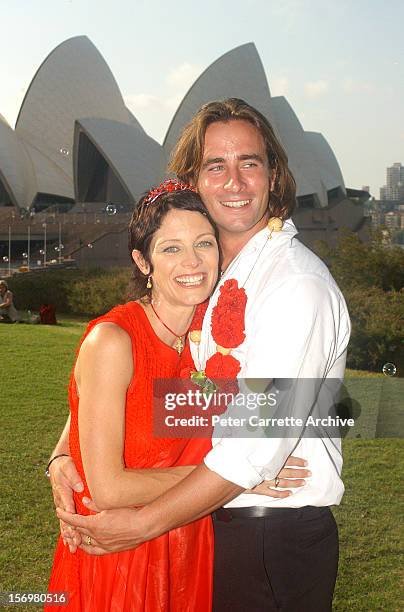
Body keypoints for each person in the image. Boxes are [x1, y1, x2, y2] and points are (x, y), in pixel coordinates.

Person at [57, 98, 350, 611]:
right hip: (208, 528)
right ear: (195, 178)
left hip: (270, 539)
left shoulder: (294, 286)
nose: (234, 181)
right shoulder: (212, 286)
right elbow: (133, 378)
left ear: (273, 174)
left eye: (250, 163)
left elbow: (255, 447)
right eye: (217, 165)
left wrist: (142, 521)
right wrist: (65, 454)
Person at [46, 181, 304, 612]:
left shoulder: (222, 331)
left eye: (204, 243)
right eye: (170, 248)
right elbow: (108, 488)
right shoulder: (114, 341)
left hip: (192, 547)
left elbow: (301, 402)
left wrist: (59, 455)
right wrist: (236, 478)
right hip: (119, 553)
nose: (192, 262)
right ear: (142, 261)